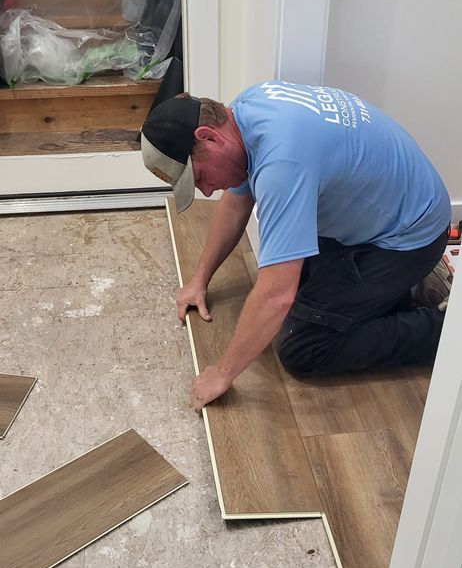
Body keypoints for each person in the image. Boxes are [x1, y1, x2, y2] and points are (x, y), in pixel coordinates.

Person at [140, 81, 452, 413]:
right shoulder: (248, 108)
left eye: (199, 176)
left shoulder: (283, 164)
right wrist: (199, 279)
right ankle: (391, 295)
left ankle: (443, 329)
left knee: (304, 348)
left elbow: (276, 295)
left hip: (408, 239)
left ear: (209, 137)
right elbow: (236, 202)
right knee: (292, 294)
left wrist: (222, 373)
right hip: (387, 214)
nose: (205, 191)